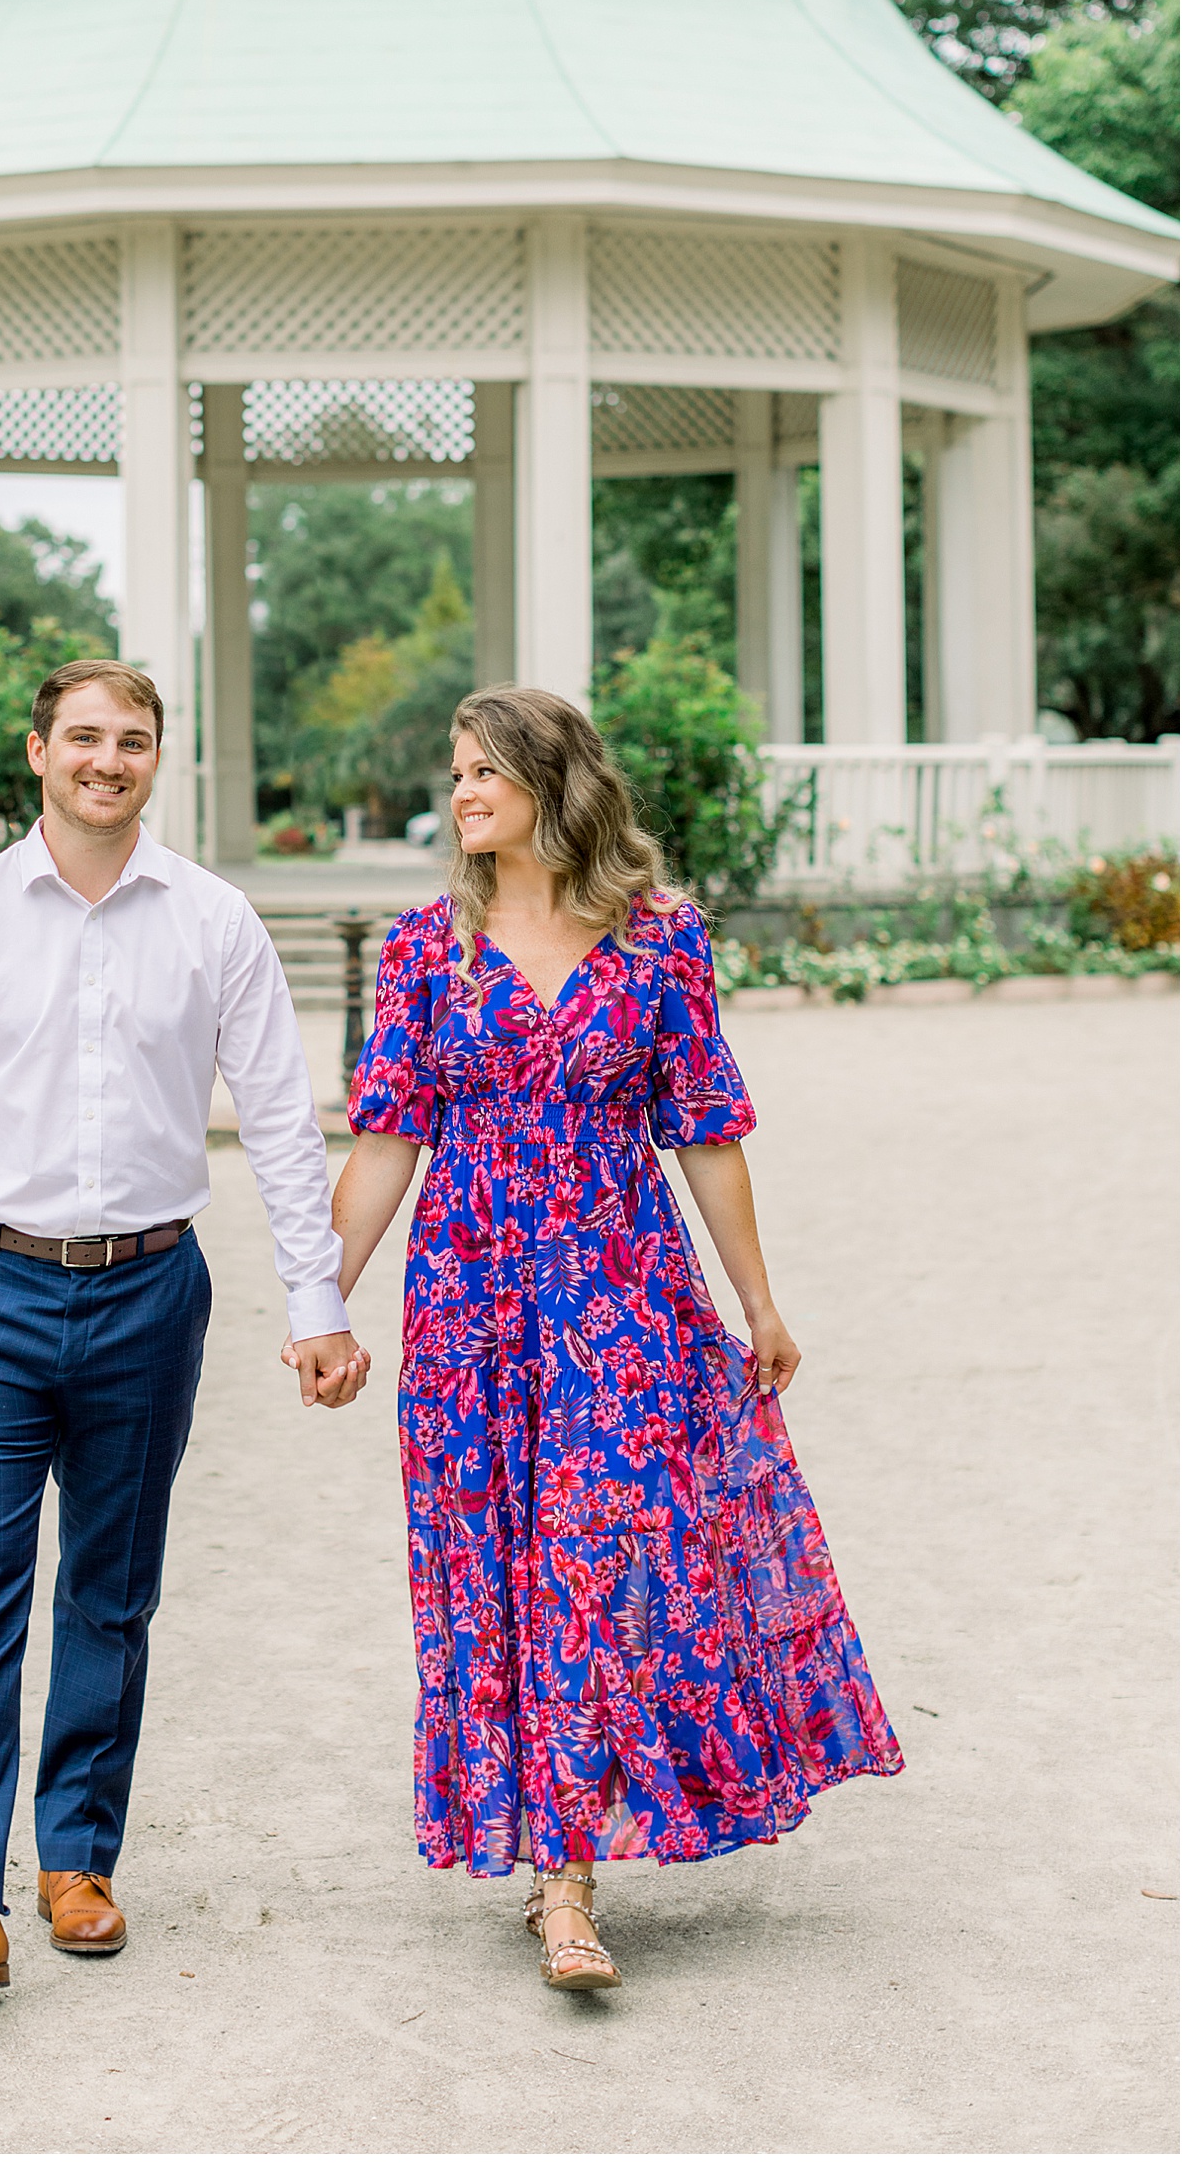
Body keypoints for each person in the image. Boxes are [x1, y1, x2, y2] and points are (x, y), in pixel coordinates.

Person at [317, 684, 902, 1991]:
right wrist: (322, 1297)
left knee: (594, 1572)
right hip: (469, 1320)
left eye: (483, 771)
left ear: (552, 781)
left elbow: (705, 1124)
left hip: (622, 1307)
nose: (460, 792)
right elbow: (384, 1142)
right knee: (491, 1580)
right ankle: (549, 1859)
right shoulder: (426, 948)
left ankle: (569, 1881)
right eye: (454, 772)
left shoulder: (657, 943)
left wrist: (759, 1301)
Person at [0, 658, 368, 1994]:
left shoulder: (212, 922)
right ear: (38, 751)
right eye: (82, 736)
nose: (106, 759)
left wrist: (318, 1299)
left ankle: (76, 1858)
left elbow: (280, 1121)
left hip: (148, 1293)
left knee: (110, 1587)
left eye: (131, 740)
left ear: (156, 760)